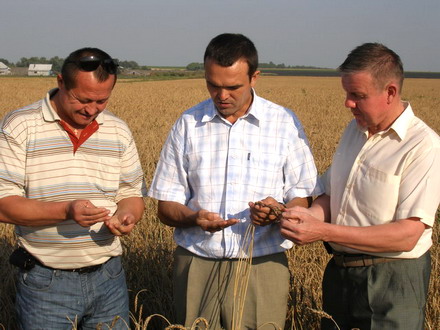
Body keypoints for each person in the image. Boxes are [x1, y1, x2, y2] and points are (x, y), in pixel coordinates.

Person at [148, 33, 323, 330]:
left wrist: (277, 211)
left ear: (255, 77)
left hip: (263, 263)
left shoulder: (283, 123)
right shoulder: (188, 124)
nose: (222, 95)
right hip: (198, 261)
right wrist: (194, 218)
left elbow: (303, 195)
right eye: (213, 85)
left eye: (232, 87)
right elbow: (166, 206)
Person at [280, 43, 440, 330]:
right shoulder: (353, 131)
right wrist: (307, 217)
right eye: (347, 94)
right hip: (341, 275)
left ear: (390, 92)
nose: (348, 103)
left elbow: (407, 235)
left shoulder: (423, 146)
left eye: (358, 95)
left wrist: (323, 231)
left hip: (392, 279)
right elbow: (332, 193)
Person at [0, 47, 147, 329]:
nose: (91, 110)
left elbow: (131, 192)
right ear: (60, 82)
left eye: (102, 101)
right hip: (45, 282)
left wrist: (128, 216)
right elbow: (4, 203)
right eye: (82, 99)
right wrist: (67, 211)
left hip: (109, 277)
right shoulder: (20, 126)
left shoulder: (118, 130)